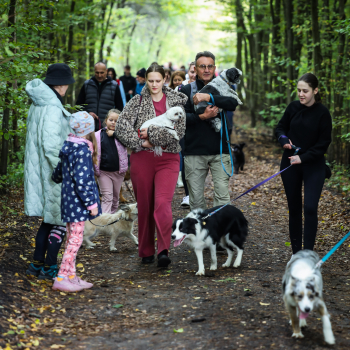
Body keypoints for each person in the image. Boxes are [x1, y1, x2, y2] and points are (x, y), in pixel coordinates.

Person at [115, 62, 187, 267]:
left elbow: (178, 133)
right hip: (142, 159)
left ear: (165, 79)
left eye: (158, 80)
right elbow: (121, 126)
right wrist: (140, 142)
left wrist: (151, 135)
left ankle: (163, 250)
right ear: (145, 80)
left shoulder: (176, 100)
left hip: (169, 158)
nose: (154, 85)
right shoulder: (136, 101)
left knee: (162, 204)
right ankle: (146, 250)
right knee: (145, 206)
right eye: (150, 81)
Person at [24, 63, 75, 280]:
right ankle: (50, 267)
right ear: (62, 84)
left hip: (41, 170)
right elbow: (52, 144)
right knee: (59, 220)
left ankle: (36, 264)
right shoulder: (52, 107)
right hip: (53, 172)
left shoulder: (38, 104)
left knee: (49, 219)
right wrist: (61, 168)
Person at [275, 73, 332, 257]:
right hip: (290, 164)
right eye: (299, 90)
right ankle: (296, 254)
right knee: (294, 208)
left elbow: (324, 143)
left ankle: (307, 254)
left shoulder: (323, 113)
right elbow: (280, 127)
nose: (301, 94)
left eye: (305, 91)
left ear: (315, 90)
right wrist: (283, 138)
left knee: (309, 208)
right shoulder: (292, 107)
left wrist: (304, 157)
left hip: (313, 165)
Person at [181, 51, 239, 210]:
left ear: (214, 67)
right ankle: (200, 233)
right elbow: (180, 119)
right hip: (194, 152)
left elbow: (232, 103)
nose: (206, 70)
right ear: (196, 68)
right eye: (202, 66)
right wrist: (202, 116)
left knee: (222, 199)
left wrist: (208, 98)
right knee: (196, 201)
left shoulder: (223, 86)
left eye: (209, 66)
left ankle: (220, 234)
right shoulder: (186, 90)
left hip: (220, 150)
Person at [51, 112, 102, 292]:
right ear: (88, 130)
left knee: (71, 238)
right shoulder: (82, 150)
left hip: (68, 202)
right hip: (78, 204)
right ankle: (62, 277)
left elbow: (57, 175)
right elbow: (83, 181)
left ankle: (71, 276)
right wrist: (92, 204)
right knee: (75, 240)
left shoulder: (69, 147)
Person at [94, 109, 128, 213]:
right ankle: (105, 223)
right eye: (111, 120)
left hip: (118, 172)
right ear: (106, 120)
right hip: (104, 172)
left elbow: (129, 142)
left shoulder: (122, 135)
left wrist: (115, 134)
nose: (113, 122)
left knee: (115, 199)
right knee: (107, 197)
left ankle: (112, 219)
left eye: (116, 121)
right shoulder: (98, 135)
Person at [76, 62, 124, 131]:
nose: (99, 75)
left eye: (102, 73)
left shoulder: (114, 86)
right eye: (97, 73)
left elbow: (119, 108)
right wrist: (87, 114)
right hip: (88, 127)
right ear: (94, 72)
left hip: (107, 129)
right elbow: (78, 106)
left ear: (106, 71)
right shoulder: (87, 85)